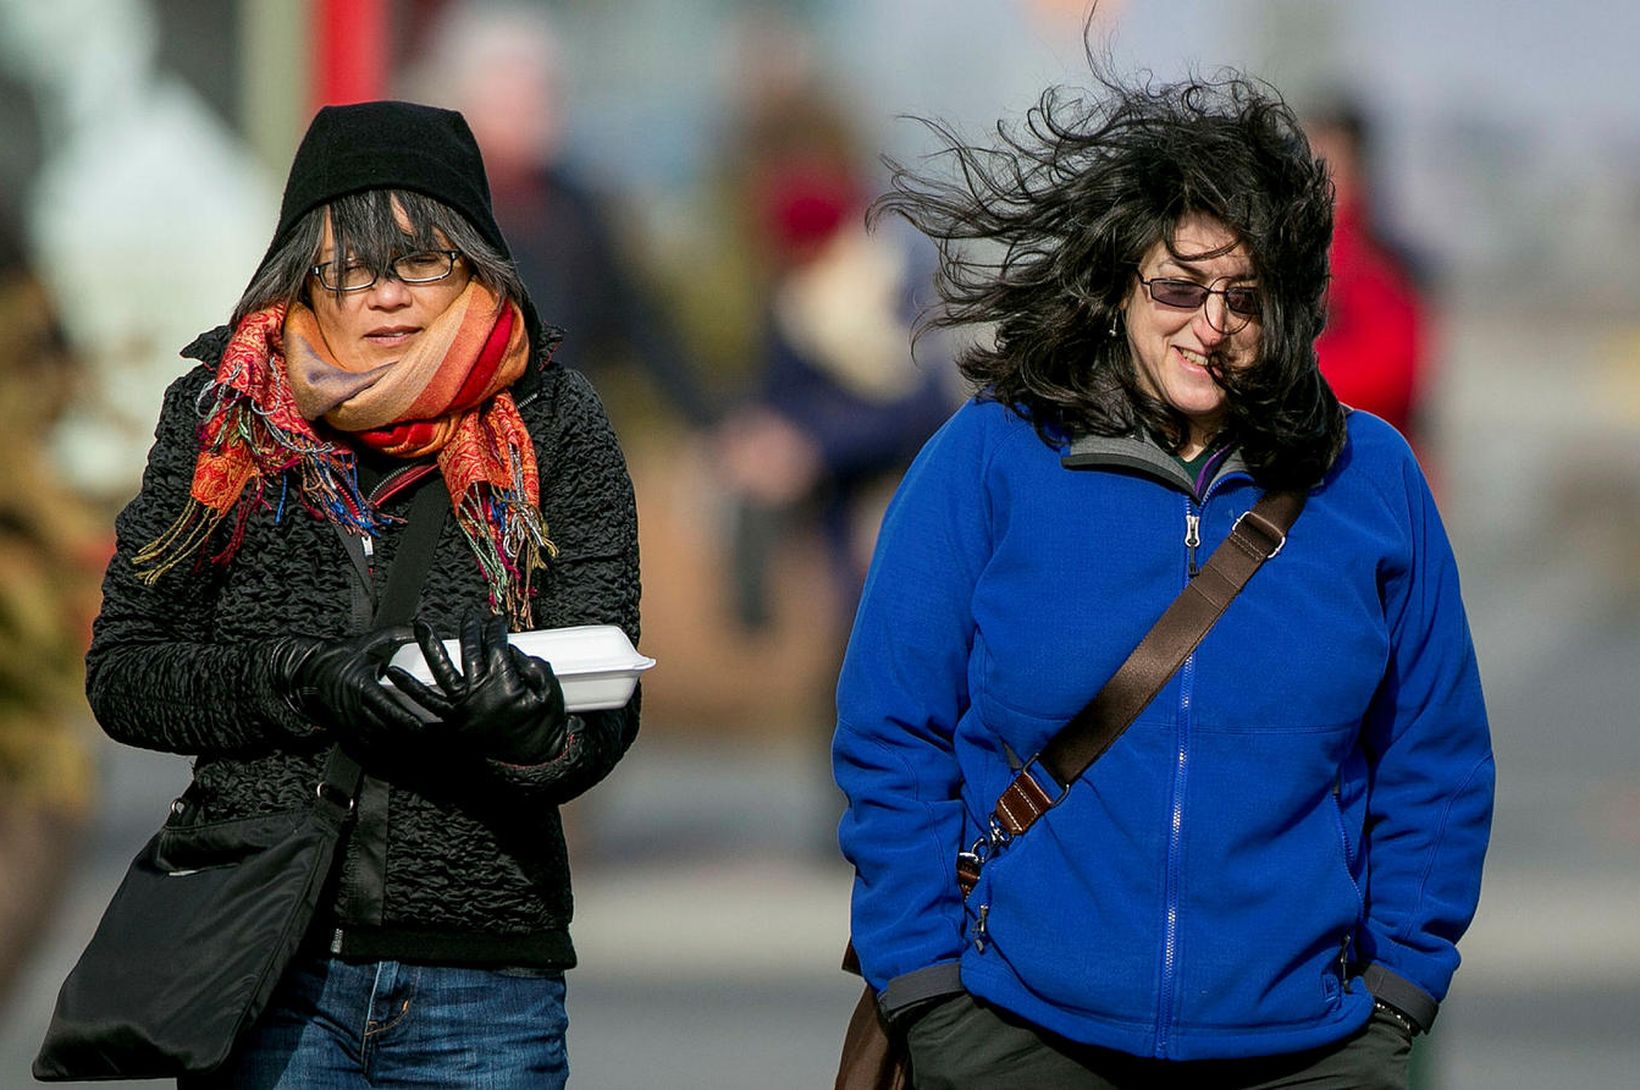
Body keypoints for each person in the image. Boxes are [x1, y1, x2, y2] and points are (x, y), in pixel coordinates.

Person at [832, 71, 1494, 1089]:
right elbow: (891, 729)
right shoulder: (990, 458)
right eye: (1177, 288)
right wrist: (925, 987)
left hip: (1304, 1046)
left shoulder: (1369, 479)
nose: (1210, 323)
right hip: (1018, 1033)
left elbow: (1433, 757)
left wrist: (1399, 991)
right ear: (1117, 287)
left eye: (1244, 294)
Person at [84, 101, 639, 1089]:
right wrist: (300, 682)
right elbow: (126, 673)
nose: (386, 294)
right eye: (350, 266)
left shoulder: (556, 419)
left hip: (483, 974)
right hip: (263, 962)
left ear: (473, 263)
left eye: (419, 260)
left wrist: (527, 731)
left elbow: (606, 693)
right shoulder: (225, 414)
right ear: (301, 272)